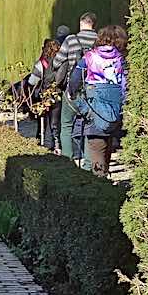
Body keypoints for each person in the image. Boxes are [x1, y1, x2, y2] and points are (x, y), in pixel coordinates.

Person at [74, 25, 127, 177]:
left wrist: (73, 94)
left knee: (97, 145)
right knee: (108, 143)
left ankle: (100, 182)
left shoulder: (89, 56)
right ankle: (104, 176)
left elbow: (75, 78)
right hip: (116, 108)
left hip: (95, 106)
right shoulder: (122, 58)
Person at [56, 12, 101, 161]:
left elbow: (57, 63)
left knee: (66, 126)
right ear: (94, 25)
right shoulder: (100, 41)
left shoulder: (71, 40)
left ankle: (67, 161)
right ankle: (88, 165)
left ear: (81, 24)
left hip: (72, 90)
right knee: (90, 128)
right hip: (94, 90)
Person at [26, 38, 63, 152]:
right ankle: (57, 144)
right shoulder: (62, 63)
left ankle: (43, 142)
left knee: (43, 121)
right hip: (58, 95)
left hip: (43, 96)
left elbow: (32, 81)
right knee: (56, 122)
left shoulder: (41, 63)